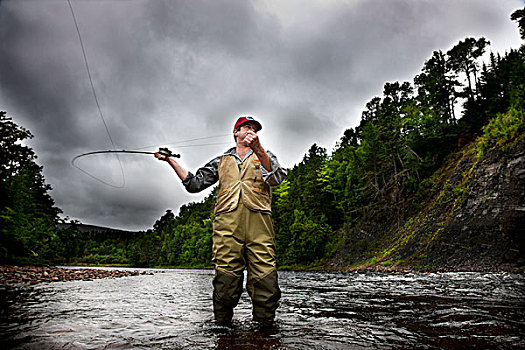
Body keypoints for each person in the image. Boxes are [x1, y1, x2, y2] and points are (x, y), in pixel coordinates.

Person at [155, 115, 287, 325]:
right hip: (226, 229)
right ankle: (222, 333)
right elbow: (194, 184)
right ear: (236, 132)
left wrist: (260, 150)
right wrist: (170, 160)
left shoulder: (265, 155)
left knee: (266, 283)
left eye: (255, 128)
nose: (251, 130)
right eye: (246, 127)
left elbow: (276, 178)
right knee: (225, 284)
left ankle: (264, 334)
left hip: (260, 228)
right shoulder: (221, 160)